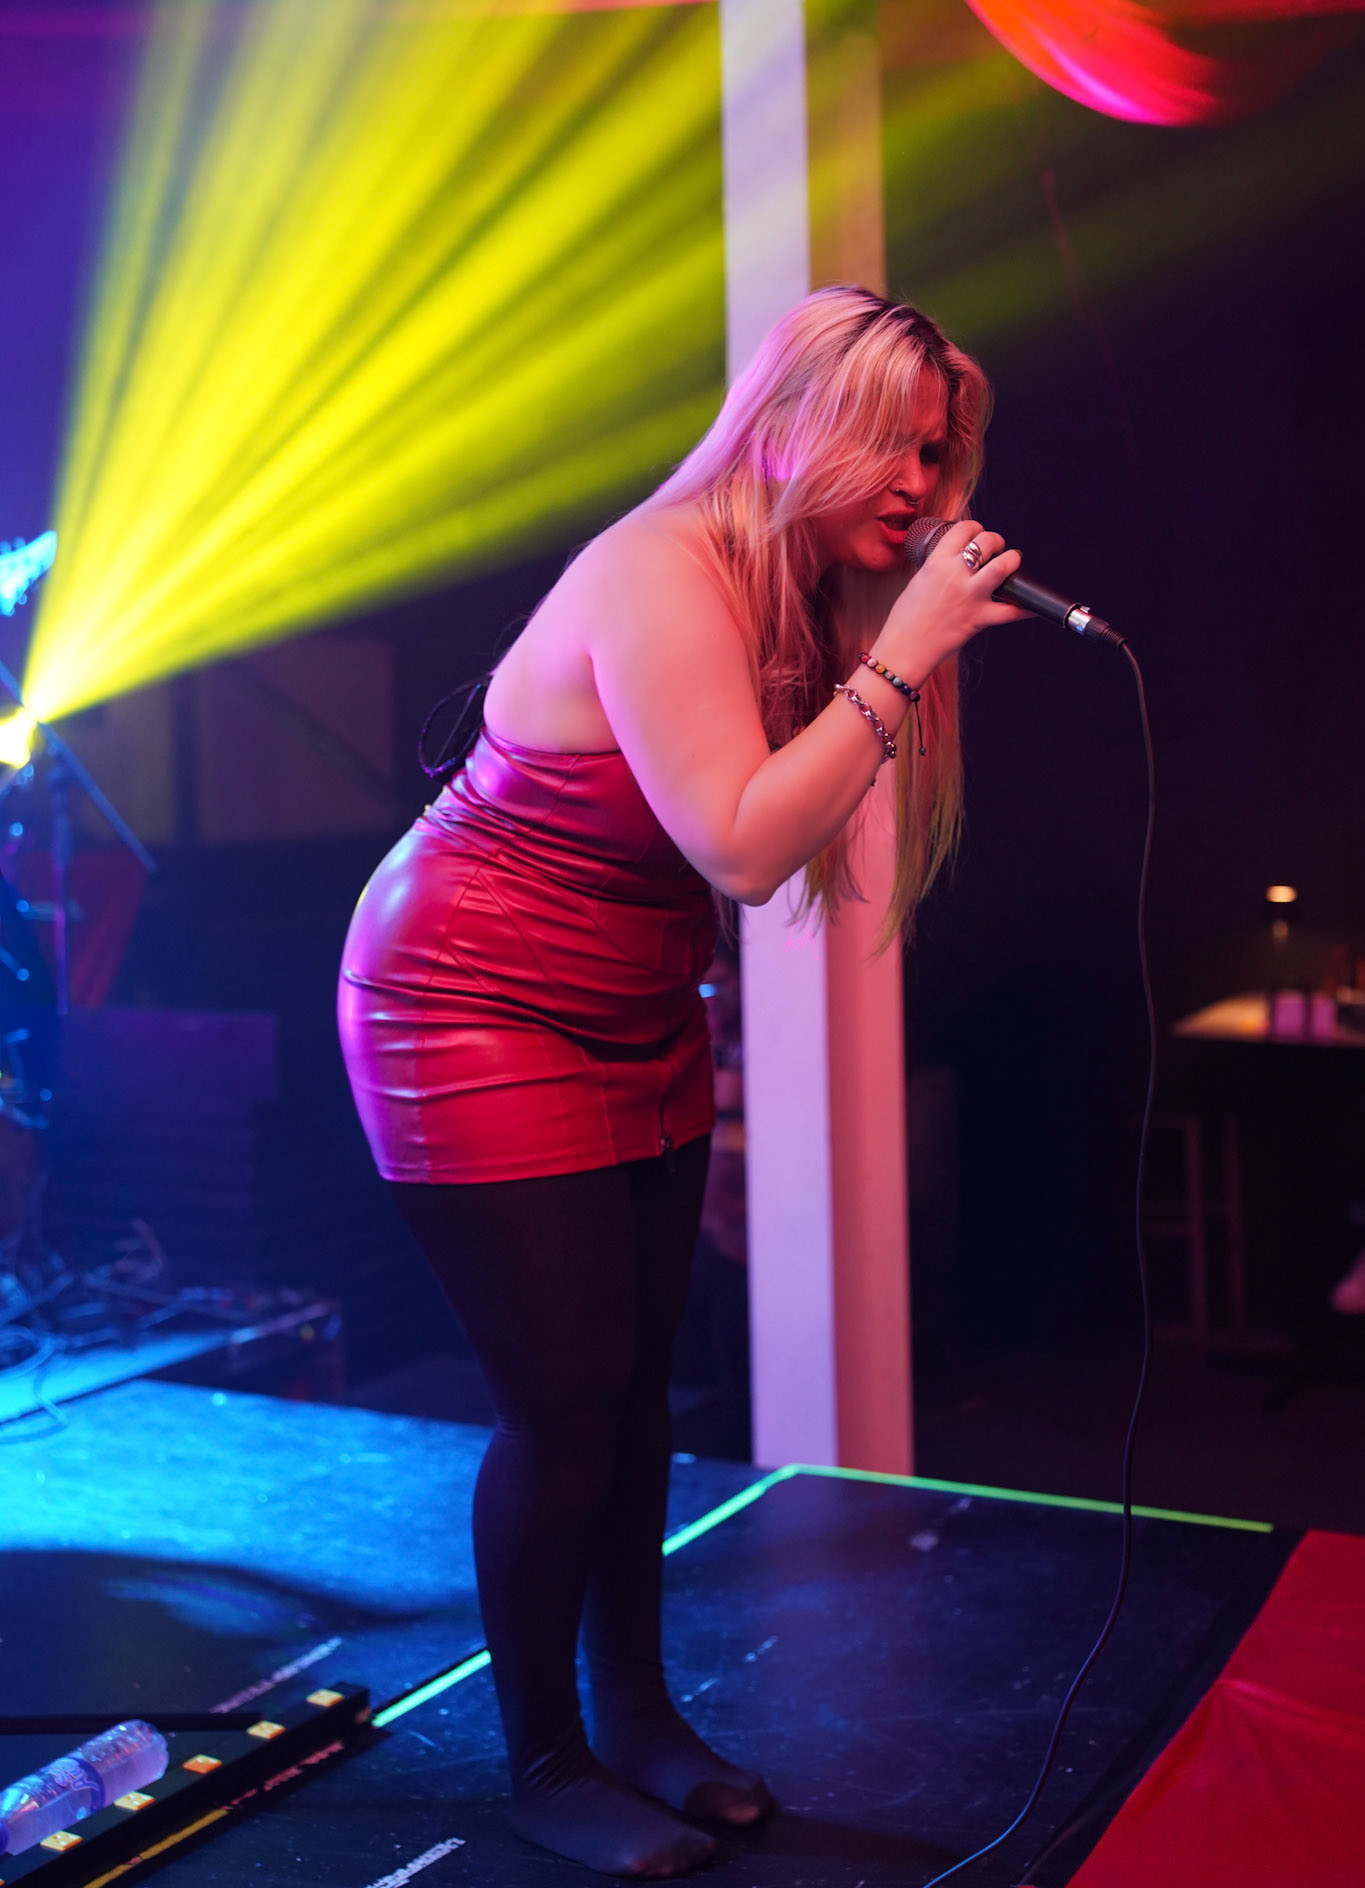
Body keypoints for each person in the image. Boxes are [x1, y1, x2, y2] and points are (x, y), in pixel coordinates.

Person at [337, 285, 1023, 1879]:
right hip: (466, 1003)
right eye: (890, 445)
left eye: (937, 452)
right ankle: (542, 1761)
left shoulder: (793, 589)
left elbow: (764, 839)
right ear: (788, 430)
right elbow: (740, 842)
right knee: (562, 1401)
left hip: (632, 1002)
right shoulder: (658, 572)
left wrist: (884, 647)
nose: (920, 483)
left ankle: (636, 1717)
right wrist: (904, 654)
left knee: (639, 1385)